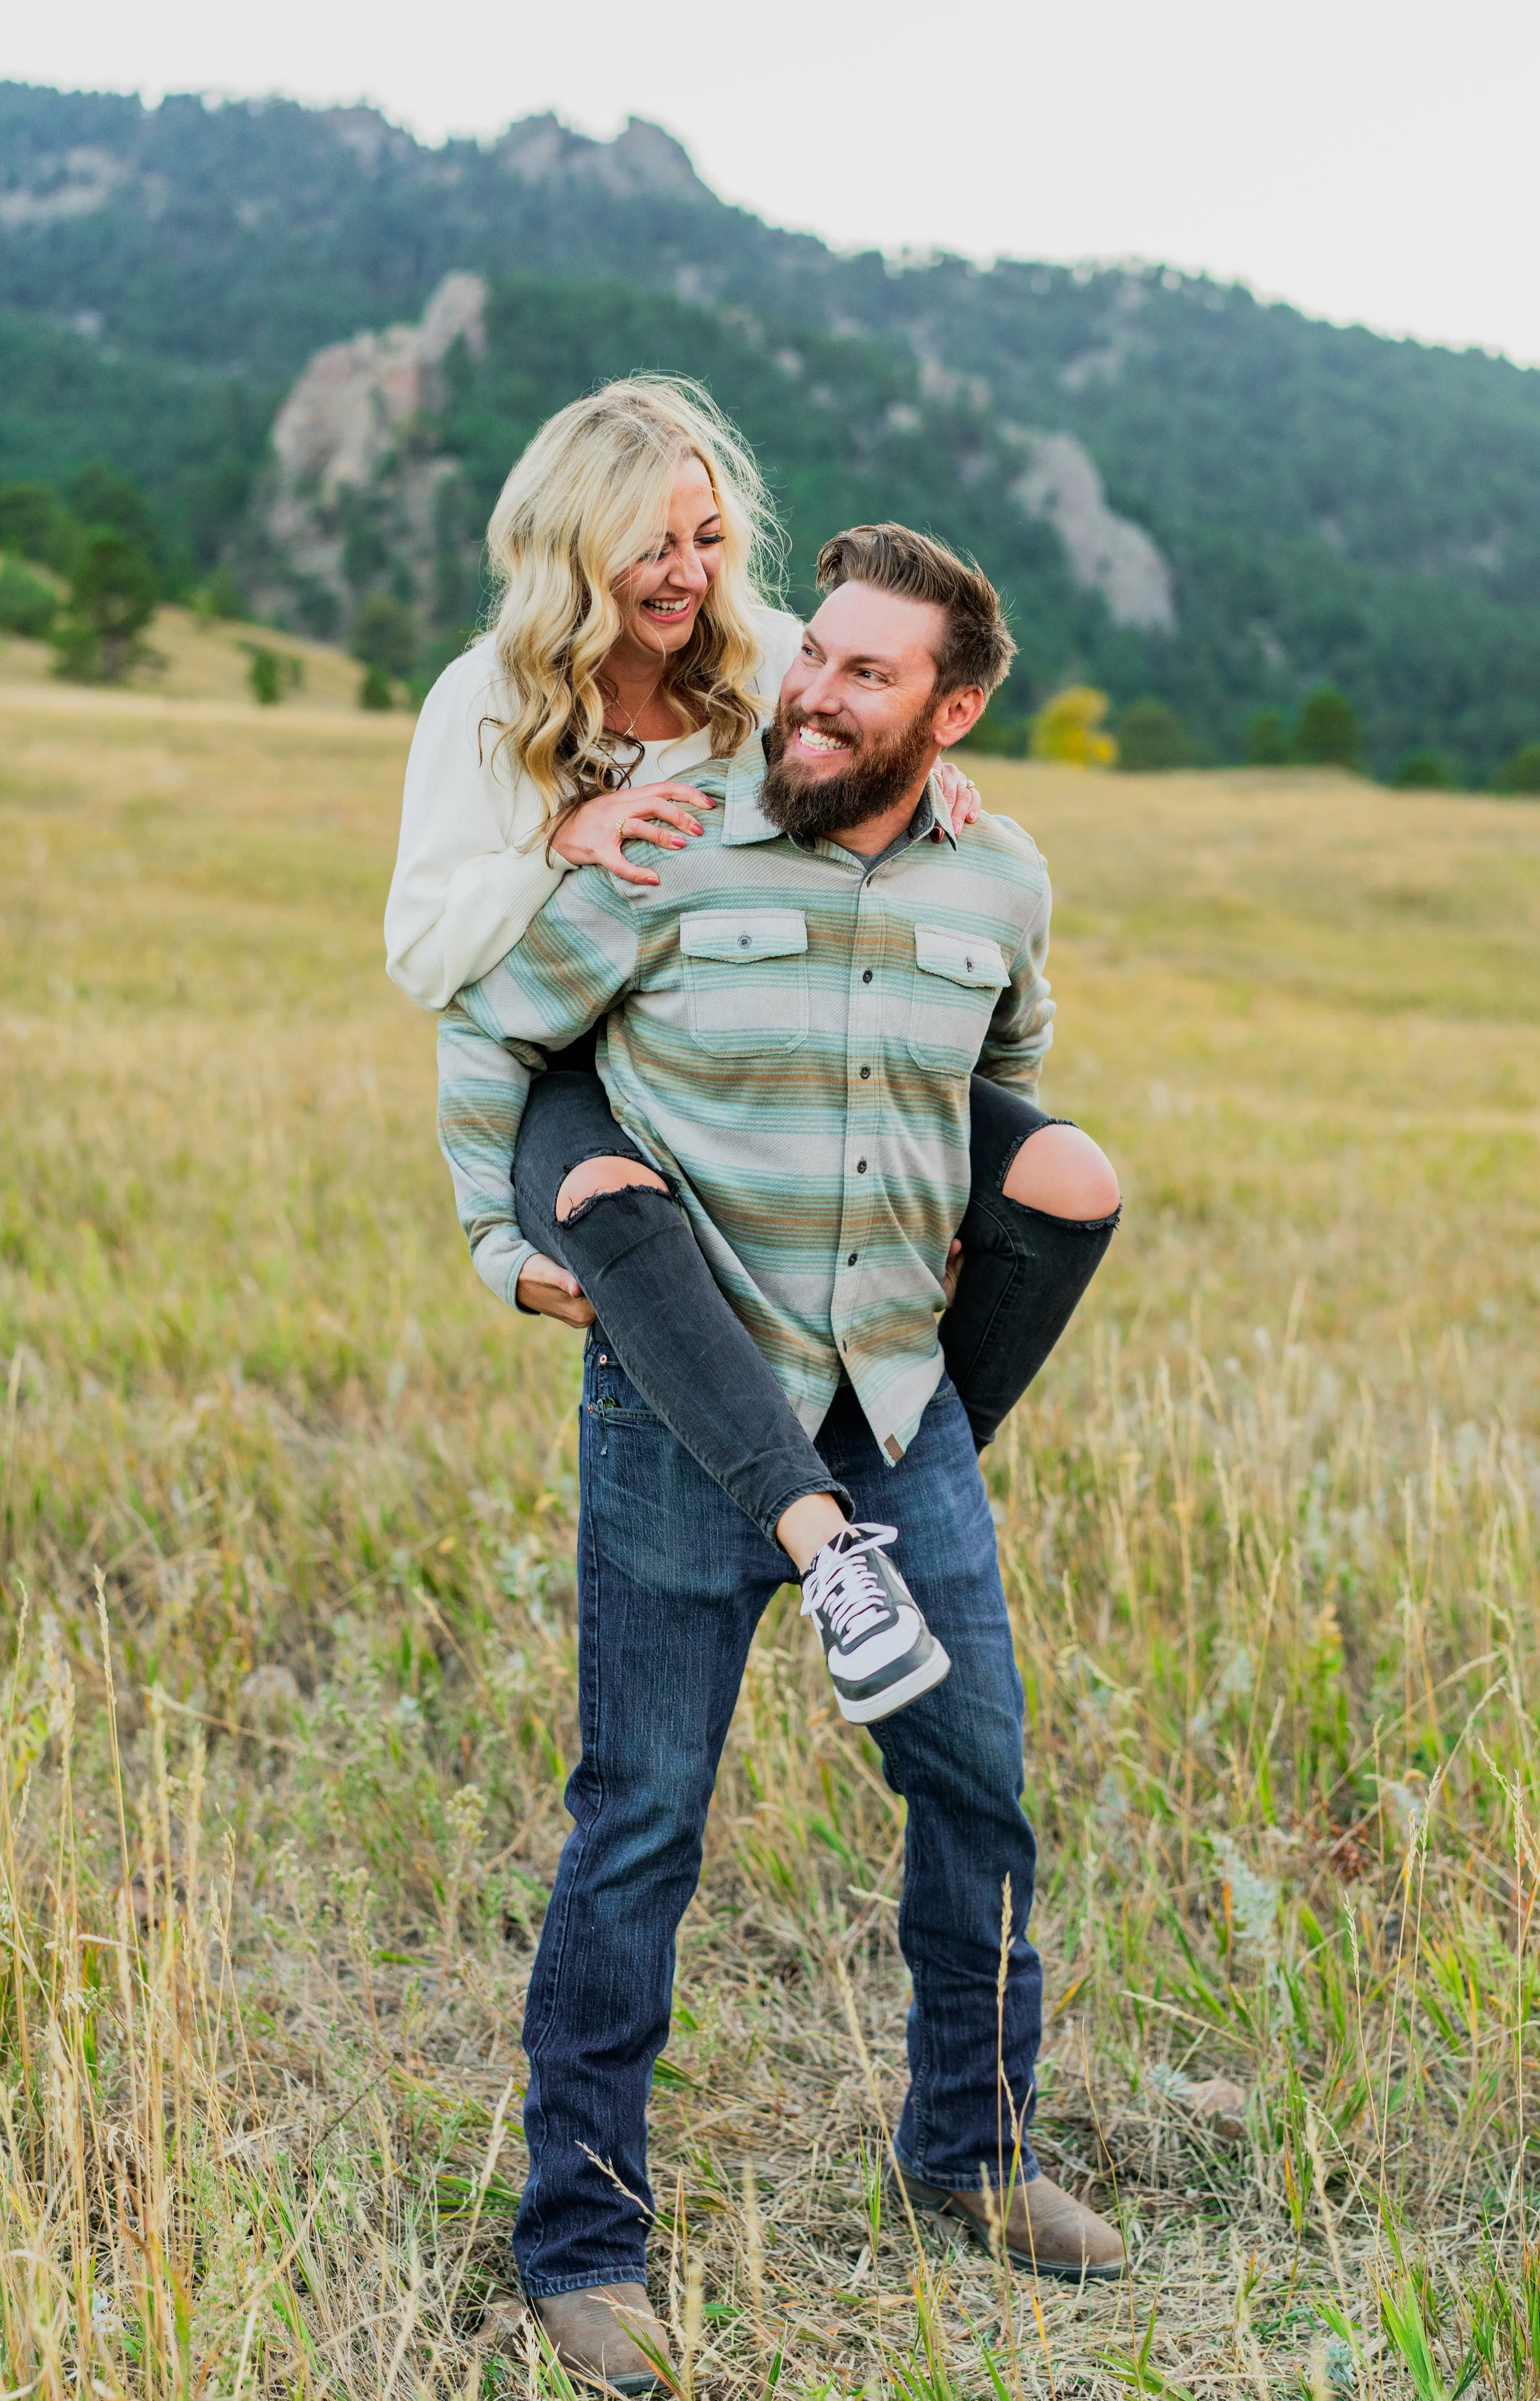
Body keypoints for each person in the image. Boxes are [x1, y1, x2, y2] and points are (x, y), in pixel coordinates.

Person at [436, 527, 1127, 2386]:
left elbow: (1011, 1072)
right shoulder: (669, 832)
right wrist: (509, 1248)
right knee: (640, 1827)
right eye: (813, 652)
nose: (813, 692)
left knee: (977, 1798)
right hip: (676, 1418)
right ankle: (583, 2243)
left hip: (896, 1416)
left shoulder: (1001, 875)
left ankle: (971, 2153)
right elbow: (497, 1040)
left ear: (952, 712)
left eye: (867, 674)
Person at [389, 380, 1120, 1718]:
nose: (685, 573)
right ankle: (801, 1514)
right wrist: (552, 845)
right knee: (610, 1199)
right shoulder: (485, 700)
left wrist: (932, 788)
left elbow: (868, 716)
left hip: (750, 1025)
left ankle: (891, 1477)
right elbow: (428, 956)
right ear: (570, 545)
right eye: (649, 543)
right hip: (572, 1056)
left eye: (707, 535)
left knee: (1063, 1182)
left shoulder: (764, 647)